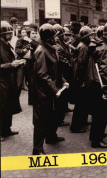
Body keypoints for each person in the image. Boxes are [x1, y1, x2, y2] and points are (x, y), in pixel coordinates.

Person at [32, 23, 68, 155]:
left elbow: (55, 69)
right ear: (49, 38)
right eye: (54, 36)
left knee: (53, 115)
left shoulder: (50, 48)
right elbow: (42, 74)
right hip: (43, 92)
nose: (56, 38)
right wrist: (55, 89)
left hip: (50, 90)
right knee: (41, 120)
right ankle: (37, 149)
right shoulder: (41, 51)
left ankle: (51, 137)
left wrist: (62, 81)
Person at [70, 26, 96, 133]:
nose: (91, 37)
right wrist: (81, 80)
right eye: (90, 35)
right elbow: (81, 64)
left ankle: (82, 121)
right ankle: (76, 126)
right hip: (82, 79)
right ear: (86, 36)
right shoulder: (84, 47)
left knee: (83, 102)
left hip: (82, 78)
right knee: (80, 104)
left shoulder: (83, 46)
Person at [0, 21, 22, 141]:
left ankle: (6, 129)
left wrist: (16, 63)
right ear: (2, 34)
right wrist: (10, 65)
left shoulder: (7, 45)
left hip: (8, 80)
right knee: (2, 107)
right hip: (2, 81)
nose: (11, 35)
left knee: (8, 106)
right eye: (8, 33)